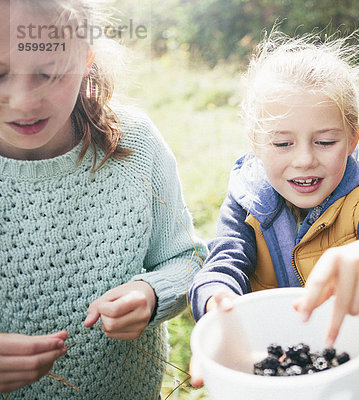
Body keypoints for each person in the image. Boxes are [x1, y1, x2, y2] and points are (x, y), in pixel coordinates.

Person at [188, 32, 359, 400]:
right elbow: (223, 263)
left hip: (352, 388)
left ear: (353, 139)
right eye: (282, 143)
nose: (304, 159)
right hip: (268, 381)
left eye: (325, 141)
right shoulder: (245, 201)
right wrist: (216, 301)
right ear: (255, 140)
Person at [0, 0, 206, 398]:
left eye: (49, 73)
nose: (24, 101)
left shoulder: (135, 145)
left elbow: (189, 259)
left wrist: (152, 293)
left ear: (85, 60)